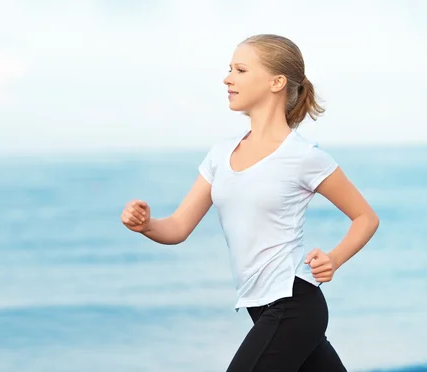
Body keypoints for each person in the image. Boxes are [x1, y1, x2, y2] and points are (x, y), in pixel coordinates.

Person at [120, 34, 380, 371]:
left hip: (292, 303)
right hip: (262, 309)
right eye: (230, 69)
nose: (227, 78)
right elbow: (178, 227)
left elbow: (365, 217)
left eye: (240, 70)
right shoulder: (220, 154)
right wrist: (146, 225)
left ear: (276, 82)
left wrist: (334, 258)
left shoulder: (303, 157)